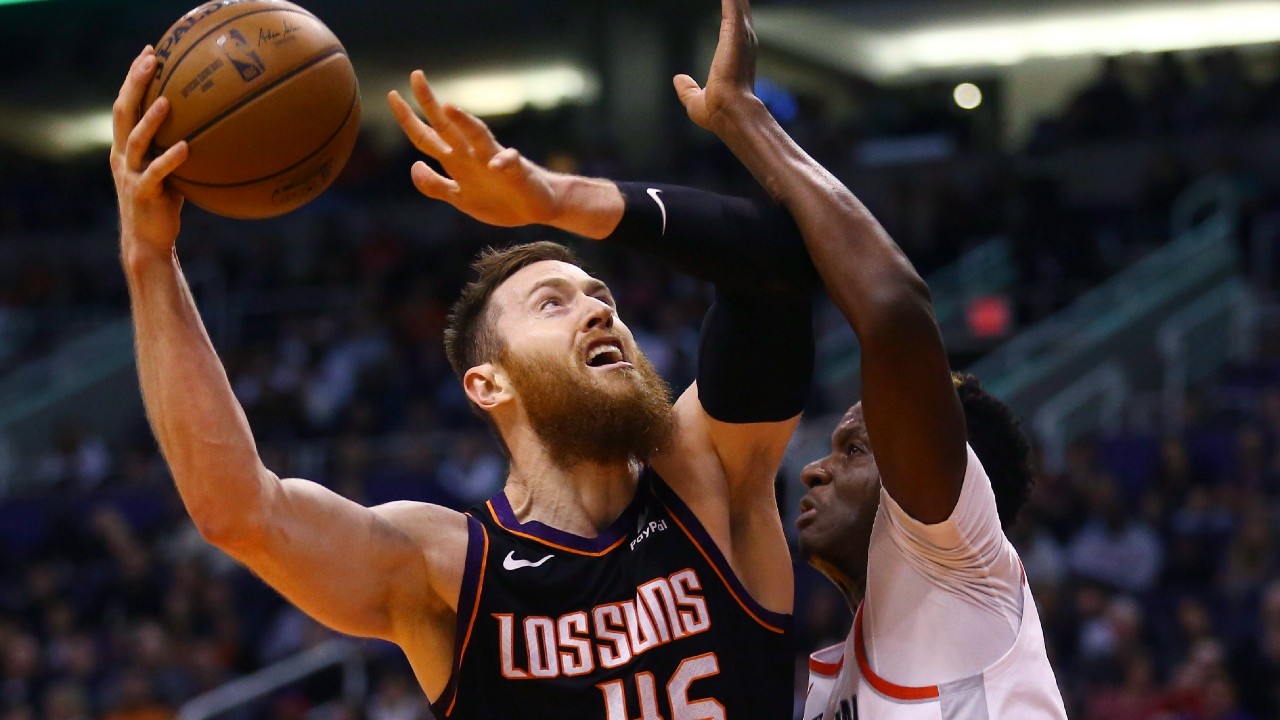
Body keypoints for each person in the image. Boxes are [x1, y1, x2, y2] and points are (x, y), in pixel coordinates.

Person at [108, 2, 817, 716]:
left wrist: (558, 199)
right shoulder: (445, 565)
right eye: (553, 303)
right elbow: (239, 512)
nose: (601, 310)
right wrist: (149, 258)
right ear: (487, 383)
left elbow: (774, 263)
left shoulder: (709, 480)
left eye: (602, 296)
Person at [662, 0, 1070, 716]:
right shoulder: (835, 682)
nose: (815, 467)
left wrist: (742, 118)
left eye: (855, 449)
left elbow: (892, 311)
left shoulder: (959, 566)